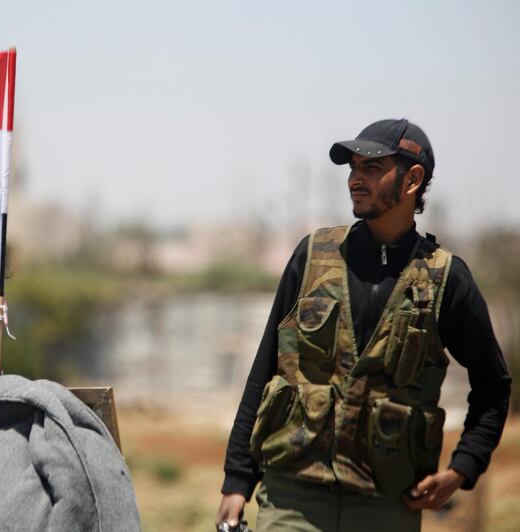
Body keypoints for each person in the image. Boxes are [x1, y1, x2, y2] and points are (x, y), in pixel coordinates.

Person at [215, 119, 511, 532]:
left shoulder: (446, 279)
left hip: (384, 502)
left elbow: (494, 387)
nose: (355, 179)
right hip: (292, 496)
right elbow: (265, 369)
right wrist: (237, 480)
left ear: (412, 179)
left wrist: (462, 468)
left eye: (372, 168)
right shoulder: (313, 255)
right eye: (353, 168)